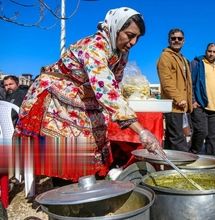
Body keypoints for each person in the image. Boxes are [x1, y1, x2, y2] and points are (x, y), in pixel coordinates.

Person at [14, 7, 163, 181]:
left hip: (84, 97)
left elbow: (114, 83)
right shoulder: (94, 47)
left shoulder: (121, 52)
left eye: (137, 37)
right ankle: (65, 194)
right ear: (115, 28)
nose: (133, 42)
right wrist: (142, 130)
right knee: (68, 147)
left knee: (95, 141)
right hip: (59, 96)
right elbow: (106, 88)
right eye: (130, 35)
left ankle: (87, 189)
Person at [157, 28, 193, 152]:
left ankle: (169, 167)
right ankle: (184, 168)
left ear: (184, 41)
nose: (176, 40)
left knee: (172, 139)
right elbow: (166, 82)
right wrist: (179, 99)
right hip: (173, 104)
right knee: (178, 139)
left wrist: (190, 101)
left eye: (179, 38)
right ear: (169, 40)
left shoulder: (182, 59)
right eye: (173, 38)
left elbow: (187, 84)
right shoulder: (165, 57)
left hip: (182, 105)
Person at [189, 43, 215, 155]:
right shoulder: (197, 63)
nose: (211, 54)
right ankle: (193, 152)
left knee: (213, 137)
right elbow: (190, 83)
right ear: (206, 51)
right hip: (200, 105)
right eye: (209, 51)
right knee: (201, 131)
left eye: (214, 52)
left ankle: (210, 160)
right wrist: (192, 100)